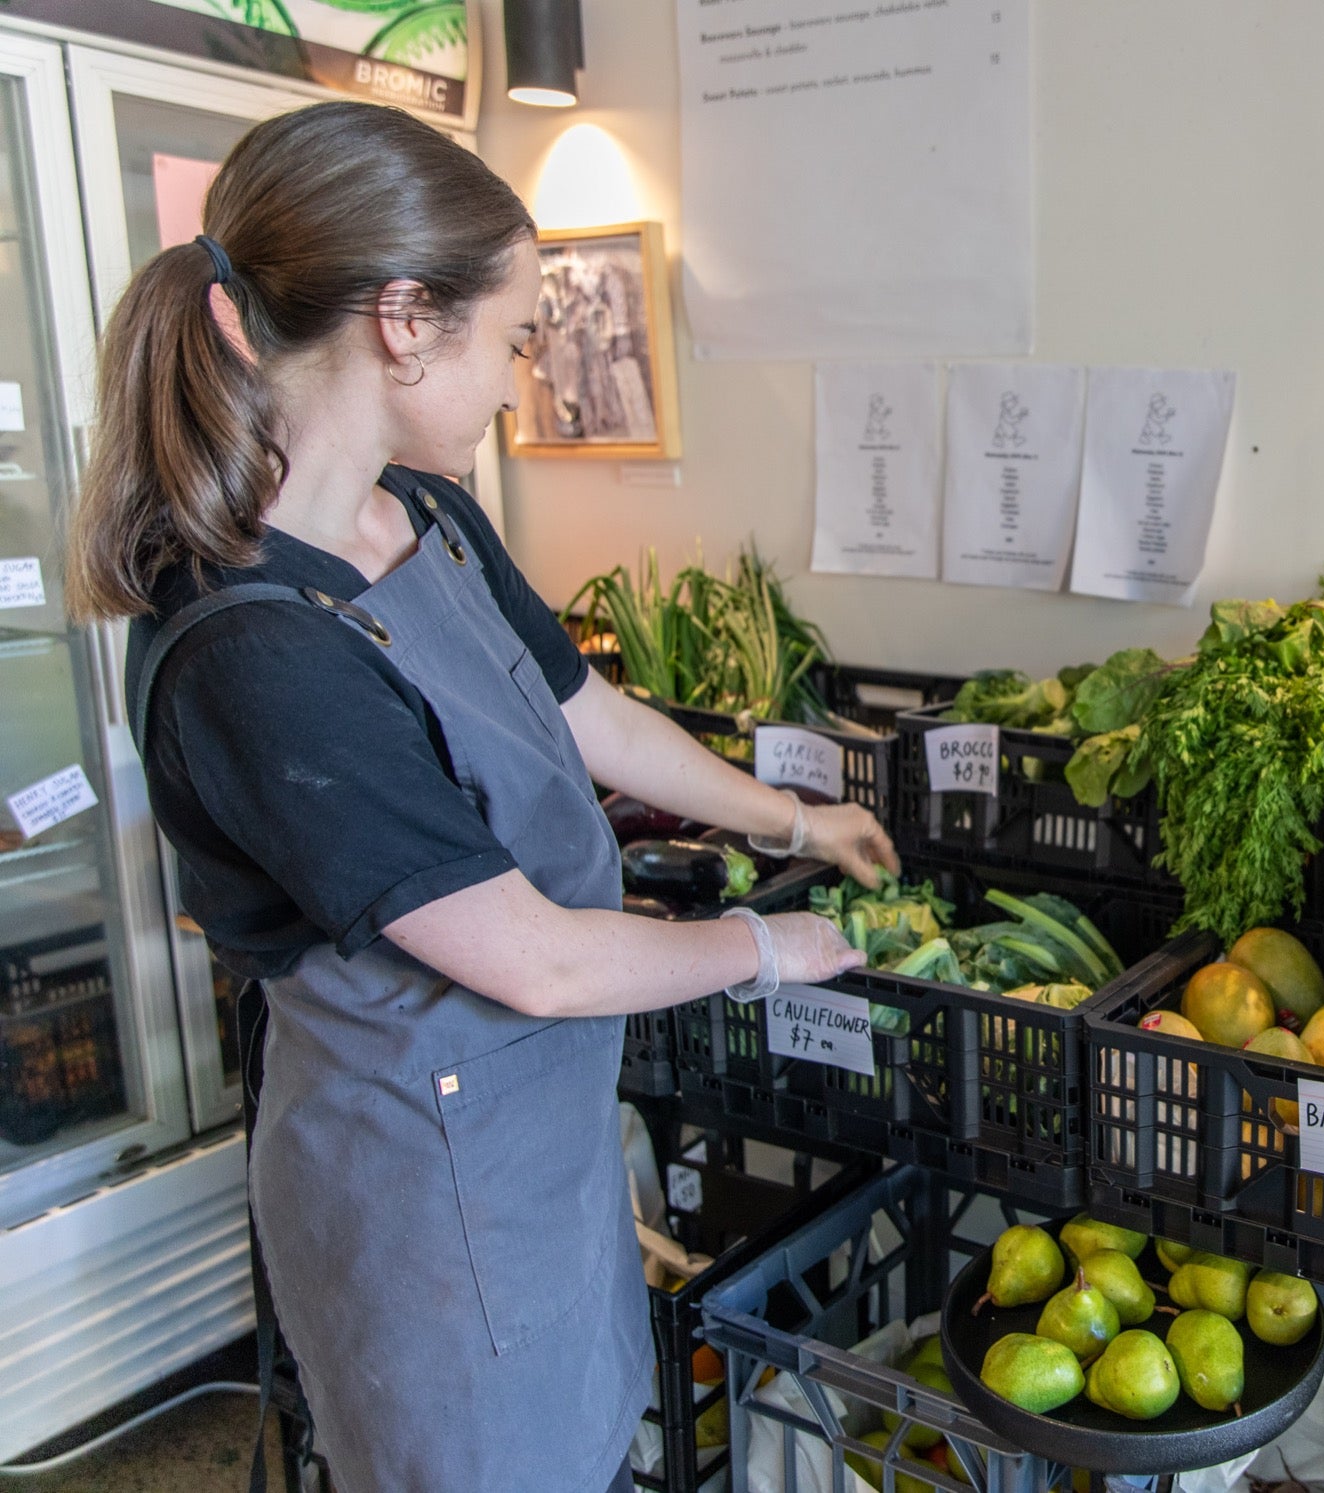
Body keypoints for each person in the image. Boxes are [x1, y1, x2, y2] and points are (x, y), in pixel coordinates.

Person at [66, 101, 888, 1493]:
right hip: (415, 1204)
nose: (520, 379)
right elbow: (540, 957)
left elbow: (596, 717)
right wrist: (766, 947)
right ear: (403, 320)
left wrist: (790, 819)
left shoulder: (428, 516)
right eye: (510, 338)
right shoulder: (250, 650)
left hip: (535, 1152)